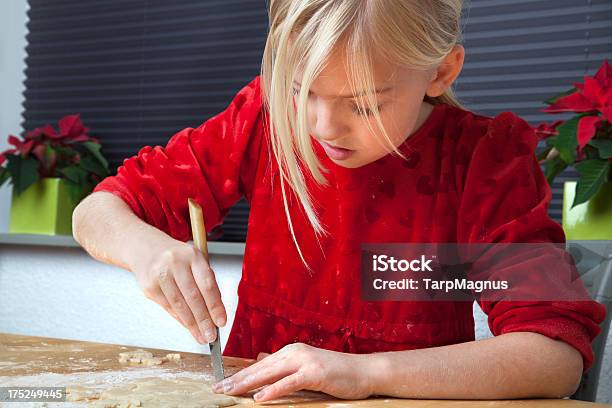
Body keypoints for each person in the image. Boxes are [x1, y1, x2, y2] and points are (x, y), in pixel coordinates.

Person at [72, 0, 606, 403]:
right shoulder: (264, 118)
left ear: (441, 72)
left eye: (365, 104)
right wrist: (147, 251)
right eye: (302, 91)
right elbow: (95, 213)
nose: (323, 127)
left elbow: (553, 355)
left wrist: (366, 373)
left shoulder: (482, 161)